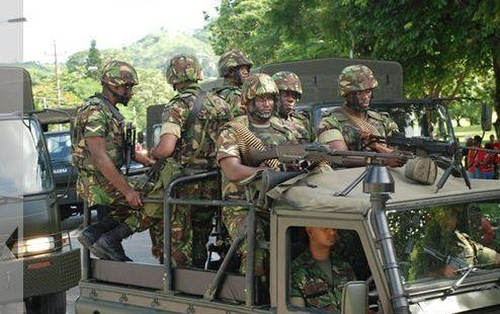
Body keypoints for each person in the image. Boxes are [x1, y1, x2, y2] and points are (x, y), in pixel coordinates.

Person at [148, 54, 233, 266]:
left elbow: (166, 148)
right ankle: (199, 274)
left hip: (185, 183)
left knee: (178, 238)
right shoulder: (220, 104)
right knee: (201, 235)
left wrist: (152, 152)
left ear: (172, 78)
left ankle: (181, 287)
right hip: (214, 181)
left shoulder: (177, 106)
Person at [216, 73, 298, 275]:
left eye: (270, 98)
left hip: (278, 200)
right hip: (241, 205)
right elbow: (232, 170)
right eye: (261, 99)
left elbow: (295, 162)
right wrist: (266, 172)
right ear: (248, 101)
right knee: (255, 246)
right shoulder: (233, 130)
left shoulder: (284, 130)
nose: (267, 104)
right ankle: (252, 296)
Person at [73, 60, 154, 261]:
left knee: (143, 197)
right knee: (158, 199)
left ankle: (98, 235)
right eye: (128, 87)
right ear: (114, 85)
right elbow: (100, 156)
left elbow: (116, 148)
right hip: (98, 183)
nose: (131, 92)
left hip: (105, 180)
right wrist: (128, 192)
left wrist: (146, 160)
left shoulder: (108, 110)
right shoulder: (95, 111)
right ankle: (106, 238)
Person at [317, 64, 405, 168]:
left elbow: (399, 154)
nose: (365, 97)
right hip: (348, 181)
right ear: (347, 94)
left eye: (368, 91)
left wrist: (378, 147)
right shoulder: (330, 122)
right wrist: (381, 160)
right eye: (359, 93)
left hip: (388, 180)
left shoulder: (383, 120)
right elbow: (340, 157)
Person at [410, 207, 500, 279]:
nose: (448, 220)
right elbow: (413, 280)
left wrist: (496, 258)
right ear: (434, 219)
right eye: (443, 216)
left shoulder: (461, 239)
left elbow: (481, 252)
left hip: (476, 287)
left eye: (452, 215)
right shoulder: (422, 247)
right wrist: (440, 273)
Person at [290, 227, 355, 312]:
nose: (332, 232)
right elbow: (296, 310)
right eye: (325, 229)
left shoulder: (344, 266)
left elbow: (356, 301)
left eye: (334, 229)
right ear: (310, 231)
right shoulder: (297, 271)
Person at [272, 71, 314, 143]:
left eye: (294, 96)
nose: (291, 99)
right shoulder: (264, 121)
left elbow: (314, 145)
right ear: (275, 96)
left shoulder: (303, 121)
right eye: (285, 95)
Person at [214, 49, 253, 117]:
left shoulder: (218, 93)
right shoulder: (234, 95)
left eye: (247, 69)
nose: (246, 72)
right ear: (230, 71)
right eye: (242, 69)